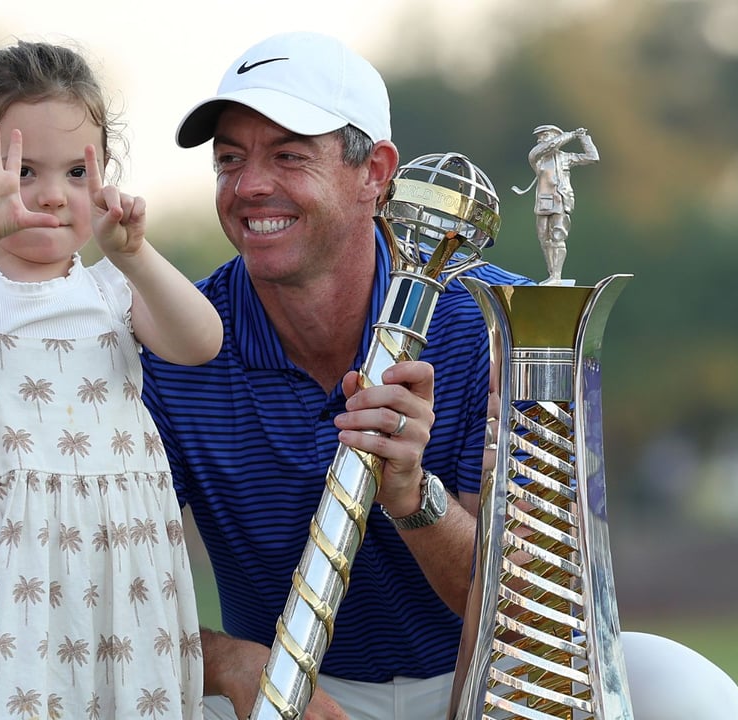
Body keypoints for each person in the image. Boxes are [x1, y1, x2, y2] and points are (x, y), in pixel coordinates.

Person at [140, 32, 532, 720]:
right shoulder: (174, 347)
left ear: (376, 173)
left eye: (289, 156)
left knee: (684, 691)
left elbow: (528, 605)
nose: (249, 186)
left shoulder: (497, 324)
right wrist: (236, 660)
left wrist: (414, 499)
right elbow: (115, 595)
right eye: (229, 159)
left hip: (487, 673)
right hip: (289, 686)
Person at [0, 40, 222, 720]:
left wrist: (139, 255)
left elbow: (201, 341)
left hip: (114, 573)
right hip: (5, 578)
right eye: (23, 170)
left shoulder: (111, 289)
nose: (49, 195)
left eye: (73, 173)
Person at [512, 124, 599, 284]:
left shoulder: (566, 157)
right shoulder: (536, 157)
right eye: (539, 137)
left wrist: (583, 138)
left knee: (558, 236)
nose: (540, 139)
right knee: (543, 237)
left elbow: (593, 157)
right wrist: (571, 134)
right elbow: (550, 146)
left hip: (561, 200)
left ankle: (556, 276)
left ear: (555, 135)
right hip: (543, 202)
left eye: (544, 135)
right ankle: (552, 274)